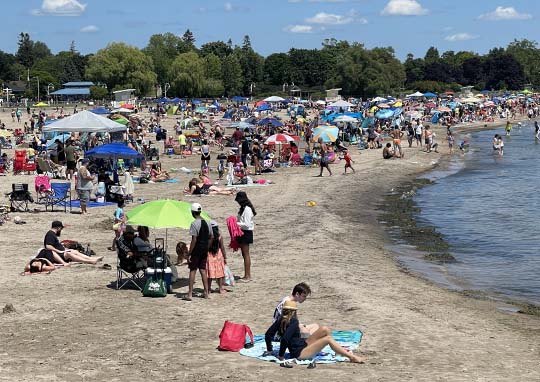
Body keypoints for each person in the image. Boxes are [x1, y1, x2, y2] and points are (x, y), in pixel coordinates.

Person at [264, 300, 367, 363]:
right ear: (294, 311)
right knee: (328, 339)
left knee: (324, 329)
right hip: (299, 353)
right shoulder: (294, 321)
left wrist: (270, 349)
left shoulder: (279, 320)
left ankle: (337, 351)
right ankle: (352, 357)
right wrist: (281, 356)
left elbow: (268, 334)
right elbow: (285, 339)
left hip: (303, 345)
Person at [36, 221, 103, 265]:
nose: (61, 230)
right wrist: (59, 251)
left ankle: (91, 259)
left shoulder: (52, 234)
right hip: (57, 255)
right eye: (61, 229)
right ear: (58, 228)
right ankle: (89, 261)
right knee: (69, 254)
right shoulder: (50, 234)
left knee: (74, 251)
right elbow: (48, 246)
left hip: (60, 252)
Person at [184, 203, 212, 301]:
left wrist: (190, 253)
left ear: (193, 212)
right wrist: (207, 247)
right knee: (203, 270)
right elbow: (211, 237)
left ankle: (190, 294)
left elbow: (194, 240)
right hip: (204, 249)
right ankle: (206, 292)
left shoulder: (194, 223)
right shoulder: (208, 222)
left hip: (196, 249)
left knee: (193, 270)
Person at [235, 191, 255, 282]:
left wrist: (235, 223)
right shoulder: (243, 208)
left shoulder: (247, 209)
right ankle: (246, 275)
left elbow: (246, 224)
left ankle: (248, 276)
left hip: (246, 232)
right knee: (244, 254)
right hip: (243, 232)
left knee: (246, 254)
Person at [206, 221, 228, 294]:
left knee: (209, 274)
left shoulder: (208, 236)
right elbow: (222, 248)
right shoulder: (219, 237)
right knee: (220, 273)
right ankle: (221, 289)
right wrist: (225, 257)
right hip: (218, 255)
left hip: (209, 256)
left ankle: (208, 289)